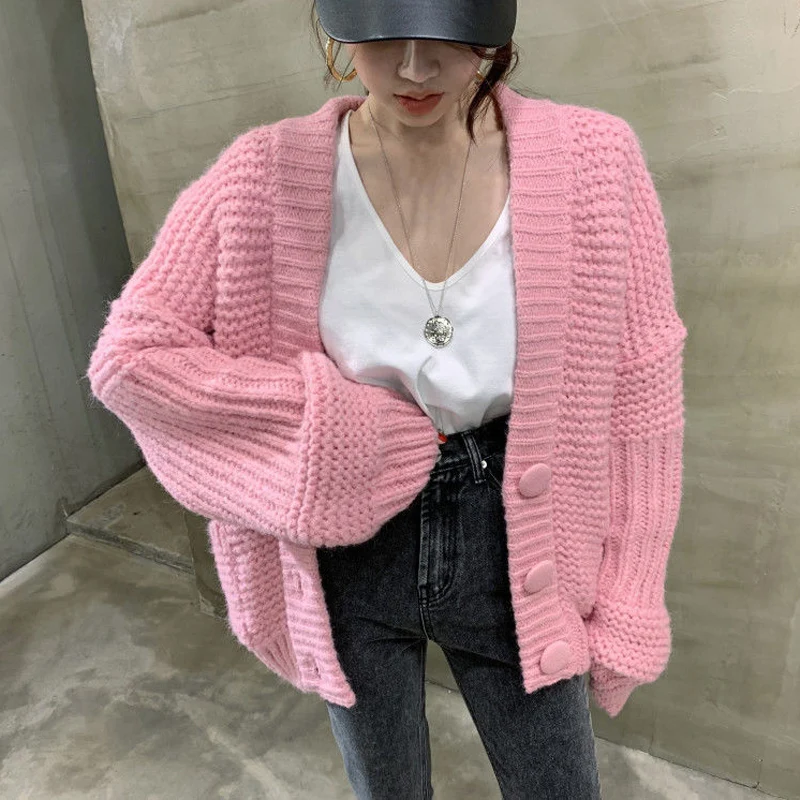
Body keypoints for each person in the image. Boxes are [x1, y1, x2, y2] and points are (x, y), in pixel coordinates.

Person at [86, 0, 688, 797]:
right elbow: (132, 359)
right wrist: (328, 432)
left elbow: (642, 390)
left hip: (523, 547)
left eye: (444, 34)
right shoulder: (262, 176)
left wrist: (631, 593)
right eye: (381, 35)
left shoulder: (594, 162)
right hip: (346, 552)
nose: (413, 67)